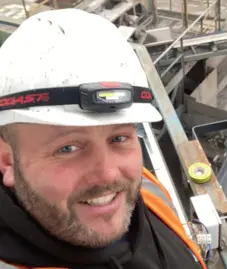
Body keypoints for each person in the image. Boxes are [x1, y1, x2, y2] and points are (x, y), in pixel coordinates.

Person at [0, 8, 207, 269]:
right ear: (7, 160)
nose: (108, 175)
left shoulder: (150, 191)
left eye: (119, 138)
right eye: (68, 147)